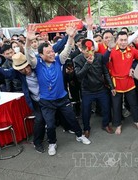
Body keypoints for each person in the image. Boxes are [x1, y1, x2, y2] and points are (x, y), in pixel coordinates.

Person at [25, 24, 91, 156]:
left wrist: (71, 37)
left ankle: (79, 135)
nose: (51, 54)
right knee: (50, 125)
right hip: (46, 101)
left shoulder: (58, 60)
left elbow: (67, 49)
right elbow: (28, 55)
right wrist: (27, 41)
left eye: (52, 51)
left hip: (62, 98)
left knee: (72, 119)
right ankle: (52, 143)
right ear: (41, 55)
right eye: (48, 52)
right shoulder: (37, 63)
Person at [0, 52, 46, 153]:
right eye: (22, 69)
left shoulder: (37, 65)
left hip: (48, 97)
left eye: (27, 67)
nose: (26, 70)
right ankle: (37, 143)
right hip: (35, 100)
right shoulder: (17, 73)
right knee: (39, 120)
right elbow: (5, 73)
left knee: (51, 119)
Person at [73, 39, 115, 137]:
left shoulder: (99, 56)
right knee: (86, 111)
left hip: (101, 88)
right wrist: (88, 64)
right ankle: (86, 128)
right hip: (87, 90)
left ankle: (105, 125)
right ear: (82, 50)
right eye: (88, 51)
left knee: (106, 108)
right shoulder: (77, 59)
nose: (91, 53)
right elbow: (79, 76)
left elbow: (105, 72)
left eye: (92, 50)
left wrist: (111, 87)